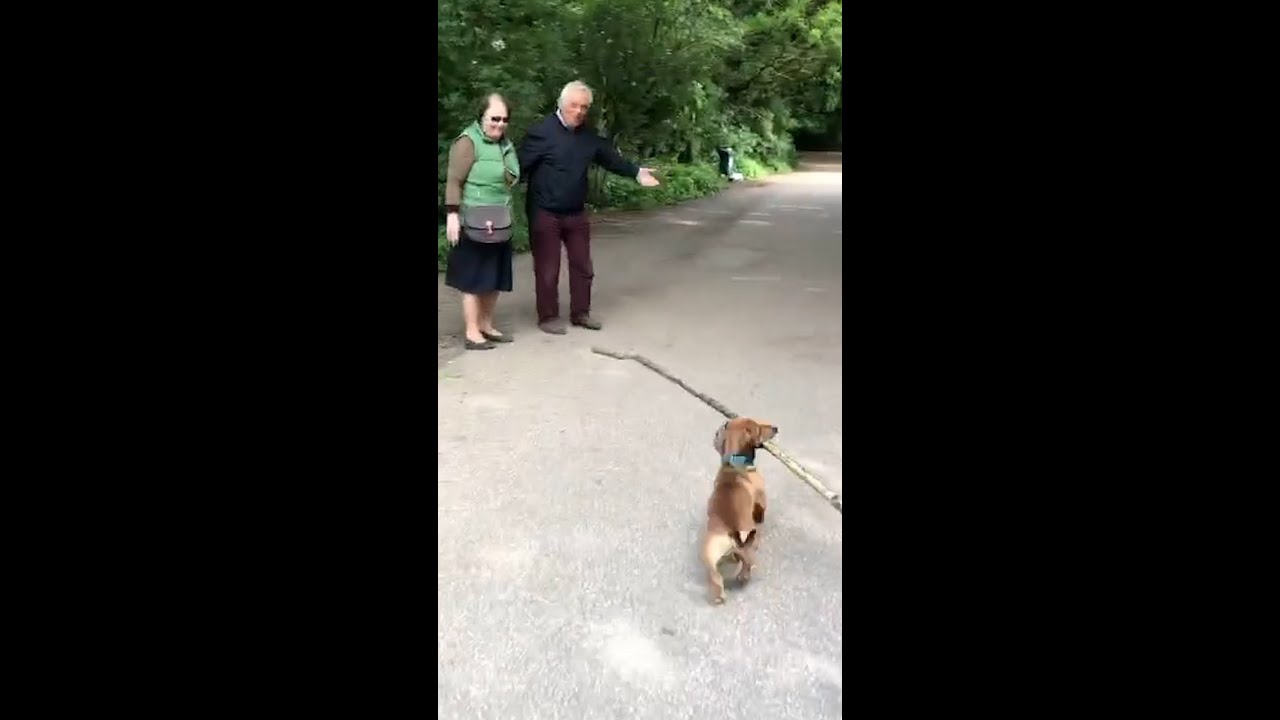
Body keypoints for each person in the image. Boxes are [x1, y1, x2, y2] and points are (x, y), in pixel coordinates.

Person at [517, 80, 660, 334]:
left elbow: (610, 158)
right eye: (574, 106)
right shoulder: (541, 132)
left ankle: (581, 313)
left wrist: (636, 172)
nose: (579, 111)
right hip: (544, 211)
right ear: (562, 104)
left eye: (584, 107)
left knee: (583, 265)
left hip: (575, 212)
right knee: (547, 268)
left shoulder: (587, 136)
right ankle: (548, 317)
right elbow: (518, 167)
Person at [444, 93, 521, 350]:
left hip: (500, 218)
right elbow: (454, 180)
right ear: (482, 117)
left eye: (504, 119)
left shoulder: (504, 145)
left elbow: (510, 179)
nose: (499, 124)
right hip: (472, 219)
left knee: (495, 276)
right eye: (494, 118)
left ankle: (487, 325)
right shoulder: (467, 142)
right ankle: (471, 331)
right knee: (473, 278)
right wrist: (453, 214)